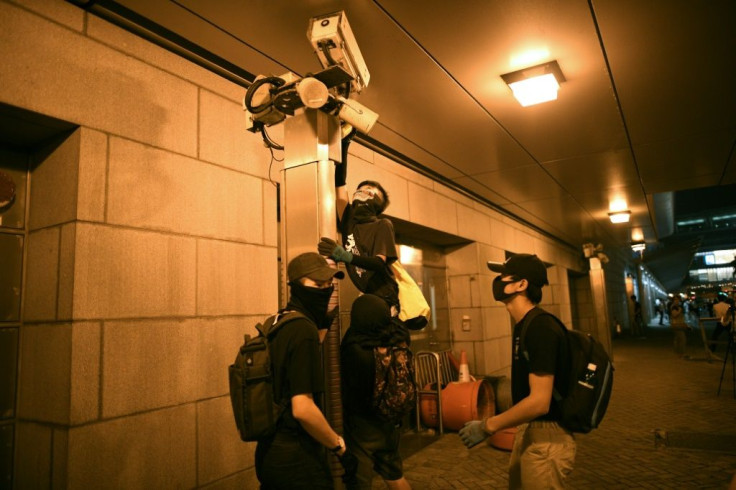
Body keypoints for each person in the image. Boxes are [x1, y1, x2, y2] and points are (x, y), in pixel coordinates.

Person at [459, 254, 575, 489]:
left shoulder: (541, 328)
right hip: (530, 431)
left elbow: (539, 402)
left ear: (521, 284)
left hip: (547, 438)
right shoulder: (524, 325)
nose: (498, 281)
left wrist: (487, 426)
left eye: (504, 276)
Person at [255, 252, 357, 489]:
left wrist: (319, 330)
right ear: (296, 286)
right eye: (317, 284)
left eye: (328, 284)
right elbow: (302, 408)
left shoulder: (278, 321)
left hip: (270, 451)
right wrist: (339, 447)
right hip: (297, 459)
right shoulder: (302, 330)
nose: (325, 290)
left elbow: (290, 368)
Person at [318, 128, 424, 331]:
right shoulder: (349, 219)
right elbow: (339, 181)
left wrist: (345, 256)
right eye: (360, 189)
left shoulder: (382, 224)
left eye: (369, 192)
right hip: (368, 294)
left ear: (377, 204)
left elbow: (377, 263)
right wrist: (344, 143)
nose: (361, 192)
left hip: (385, 296)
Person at [341, 294, 412, 490]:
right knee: (395, 476)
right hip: (390, 421)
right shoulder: (398, 337)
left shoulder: (357, 348)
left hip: (363, 427)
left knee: (360, 482)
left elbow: (353, 389)